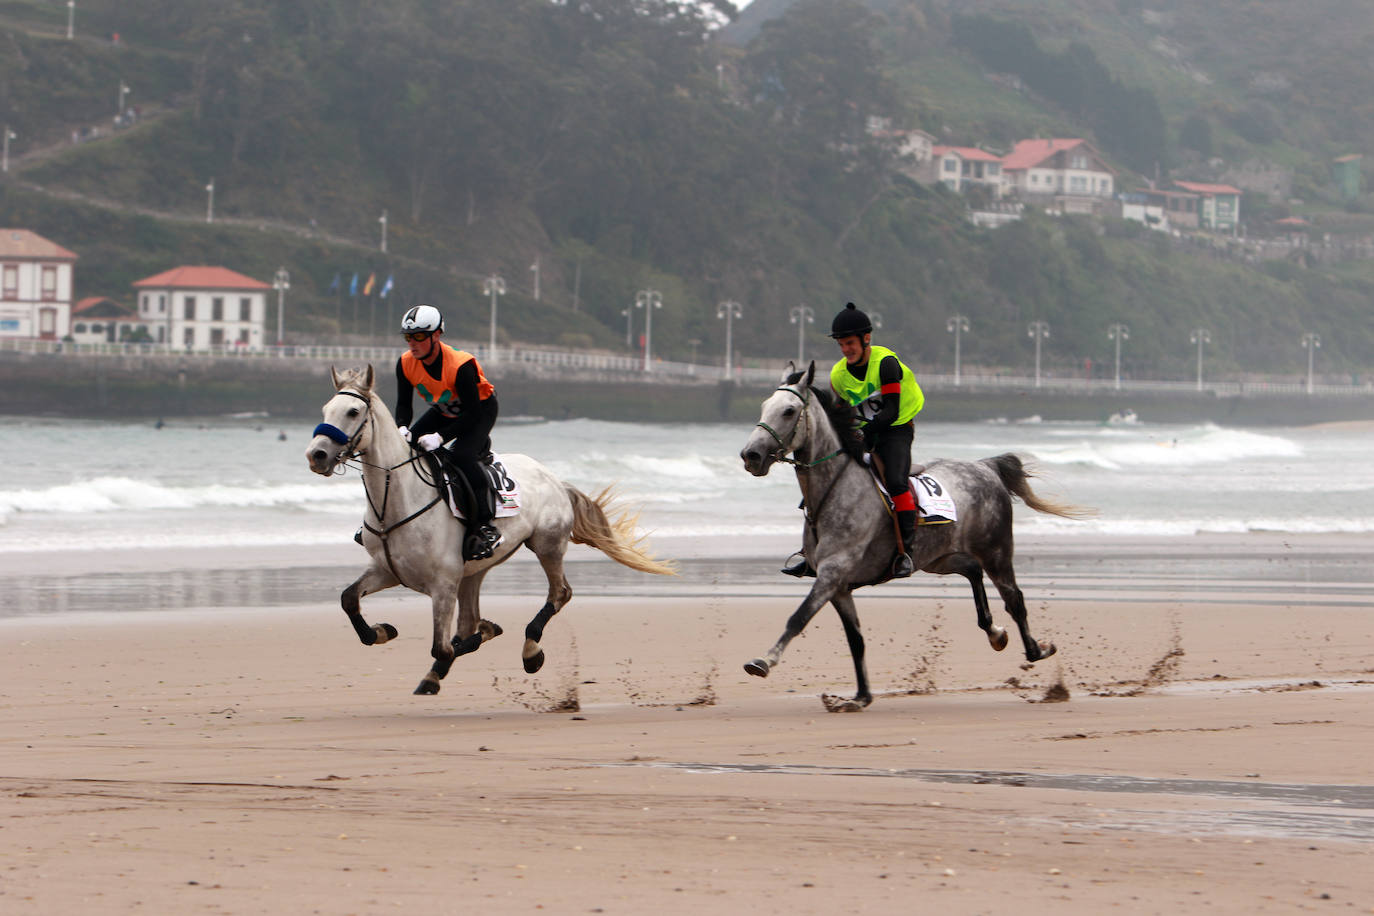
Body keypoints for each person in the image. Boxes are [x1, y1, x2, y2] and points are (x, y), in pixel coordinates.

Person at [782, 302, 925, 579]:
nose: (846, 349)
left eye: (850, 343)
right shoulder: (839, 374)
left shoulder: (886, 364)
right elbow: (842, 415)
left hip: (896, 428)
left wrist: (865, 435)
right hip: (863, 430)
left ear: (866, 338)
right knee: (823, 480)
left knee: (896, 482)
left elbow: (891, 409)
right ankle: (809, 553)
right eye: (841, 345)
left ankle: (906, 552)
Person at [393, 304, 503, 560]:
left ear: (437, 335)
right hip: (445, 410)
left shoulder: (461, 365)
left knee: (461, 456)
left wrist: (441, 437)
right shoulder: (405, 363)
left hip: (478, 411)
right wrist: (402, 427)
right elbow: (403, 404)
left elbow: (473, 414)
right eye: (409, 337)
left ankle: (486, 526)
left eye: (419, 336)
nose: (413, 343)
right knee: (404, 452)